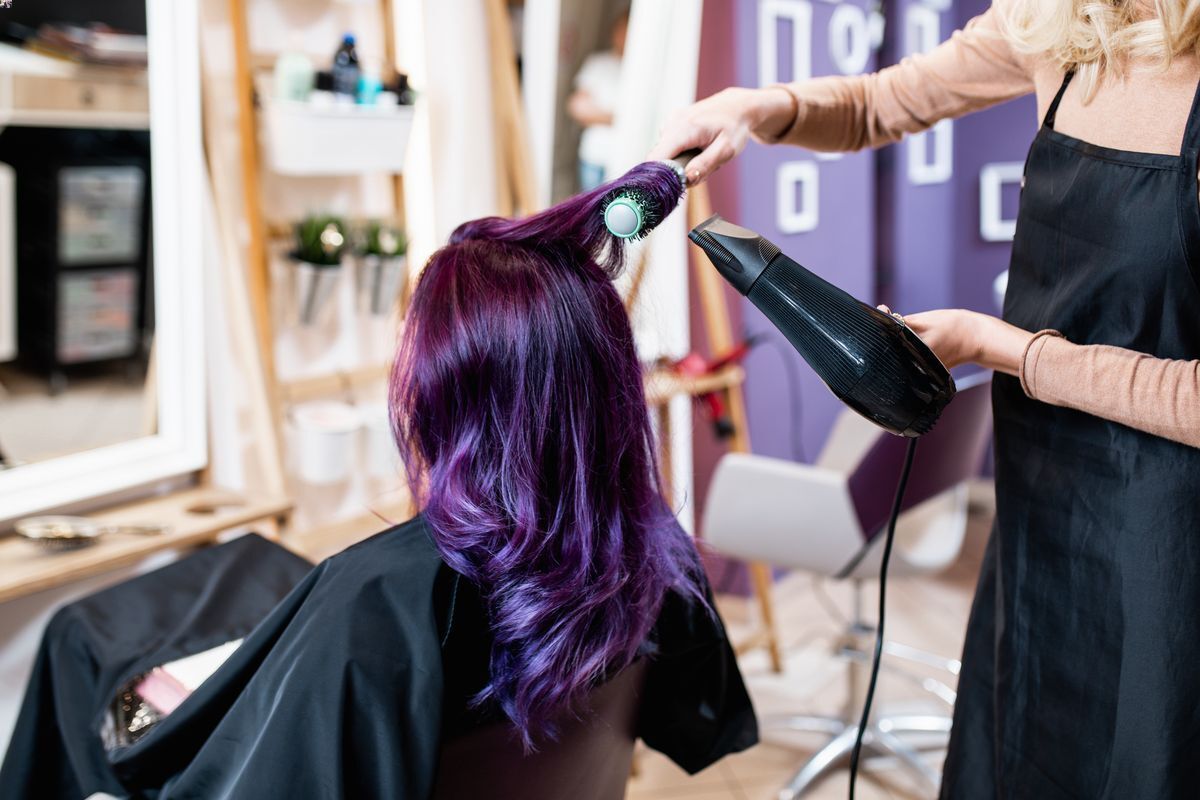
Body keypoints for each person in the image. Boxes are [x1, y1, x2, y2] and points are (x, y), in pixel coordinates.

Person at [0, 168, 757, 798]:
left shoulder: (374, 605)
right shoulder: (649, 550)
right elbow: (696, 714)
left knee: (83, 648)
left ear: (442, 389)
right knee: (242, 578)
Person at [651, 0, 1200, 797]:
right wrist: (759, 108)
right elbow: (884, 103)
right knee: (1031, 739)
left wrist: (999, 347)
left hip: (1171, 518)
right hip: (1042, 489)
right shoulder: (1059, 26)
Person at [568, 10, 628, 191]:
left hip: (626, 158)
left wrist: (601, 114)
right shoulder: (598, 63)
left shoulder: (642, 71)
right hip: (594, 155)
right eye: (620, 30)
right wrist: (618, 118)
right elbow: (577, 107)